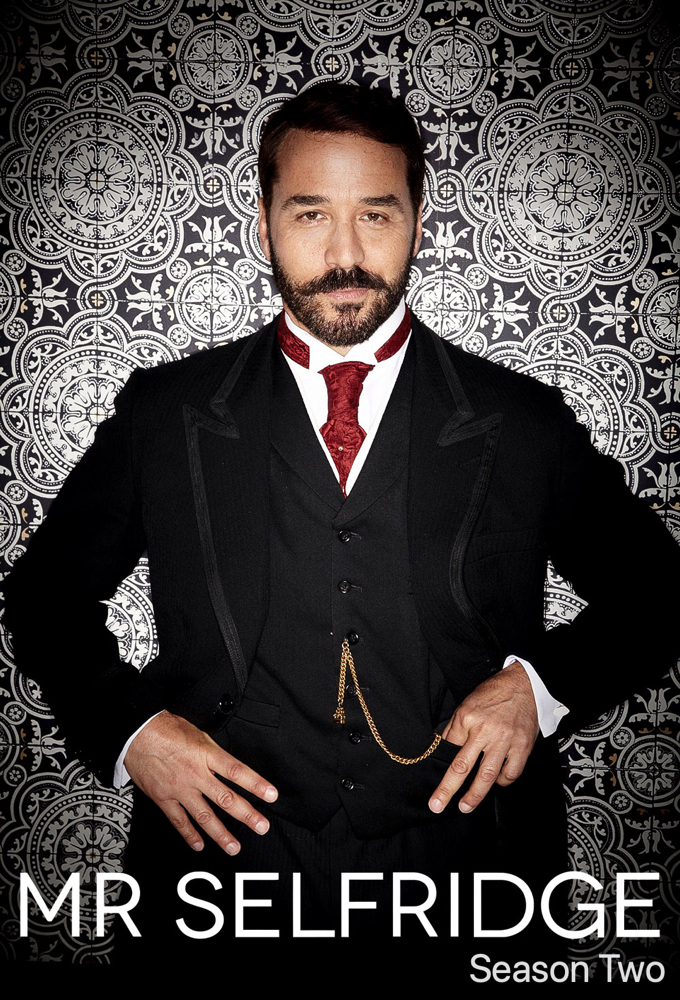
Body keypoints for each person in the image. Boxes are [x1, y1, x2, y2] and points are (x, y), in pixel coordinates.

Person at [4, 82, 679, 960]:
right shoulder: (163, 413)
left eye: (377, 215)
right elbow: (45, 597)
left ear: (419, 222)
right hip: (218, 883)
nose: (346, 255)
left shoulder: (523, 422)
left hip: (470, 874)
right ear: (264, 223)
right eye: (312, 214)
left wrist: (538, 687)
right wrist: (133, 731)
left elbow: (660, 592)